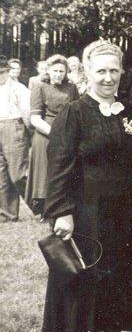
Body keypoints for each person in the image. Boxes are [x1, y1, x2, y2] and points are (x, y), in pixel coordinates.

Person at [42, 40, 132, 332]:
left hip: (125, 208)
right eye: (100, 70)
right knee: (86, 276)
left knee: (122, 275)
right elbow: (58, 165)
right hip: (86, 210)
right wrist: (61, 210)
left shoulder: (130, 112)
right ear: (86, 72)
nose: (107, 77)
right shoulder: (74, 112)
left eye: (113, 70)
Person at [26, 54, 80, 216]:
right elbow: (35, 118)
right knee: (45, 172)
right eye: (55, 70)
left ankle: (64, 205)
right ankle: (44, 208)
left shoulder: (71, 87)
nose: (58, 74)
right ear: (48, 71)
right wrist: (55, 134)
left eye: (61, 71)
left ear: (66, 72)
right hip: (45, 134)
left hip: (68, 132)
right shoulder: (39, 86)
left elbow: (77, 111)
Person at [0, 55, 30, 222]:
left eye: (2, 72)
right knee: (2, 174)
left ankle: (44, 207)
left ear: (7, 71)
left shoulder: (19, 88)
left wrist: (28, 133)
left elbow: (27, 113)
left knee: (18, 174)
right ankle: (8, 214)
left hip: (14, 127)